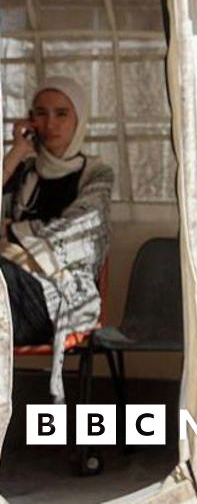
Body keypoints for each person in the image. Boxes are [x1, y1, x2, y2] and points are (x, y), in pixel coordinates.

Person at [1, 76, 113, 402]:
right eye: (41, 113)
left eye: (62, 113)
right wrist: (16, 153)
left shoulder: (96, 174)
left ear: (79, 119)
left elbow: (74, 233)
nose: (50, 123)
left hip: (59, 298)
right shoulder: (25, 172)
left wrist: (10, 230)